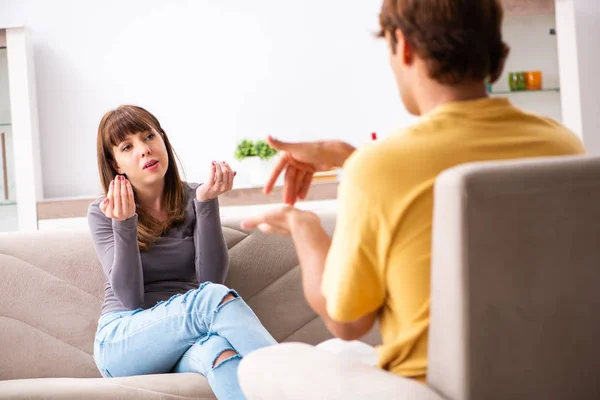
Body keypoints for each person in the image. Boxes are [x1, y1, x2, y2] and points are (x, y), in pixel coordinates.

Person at [241, 0, 586, 385]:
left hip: (435, 388)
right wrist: (351, 157)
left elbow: (348, 321)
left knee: (262, 365)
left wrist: (304, 227)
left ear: (403, 45)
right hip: (557, 380)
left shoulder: (379, 169)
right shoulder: (563, 144)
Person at [88, 105, 276, 400]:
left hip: (188, 338)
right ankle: (296, 383)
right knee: (212, 300)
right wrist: (124, 224)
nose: (144, 149)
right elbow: (130, 299)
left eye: (149, 136)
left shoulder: (195, 197)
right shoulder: (104, 212)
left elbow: (210, 279)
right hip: (124, 339)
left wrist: (206, 203)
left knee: (220, 353)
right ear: (116, 165)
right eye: (127, 147)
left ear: (163, 140)